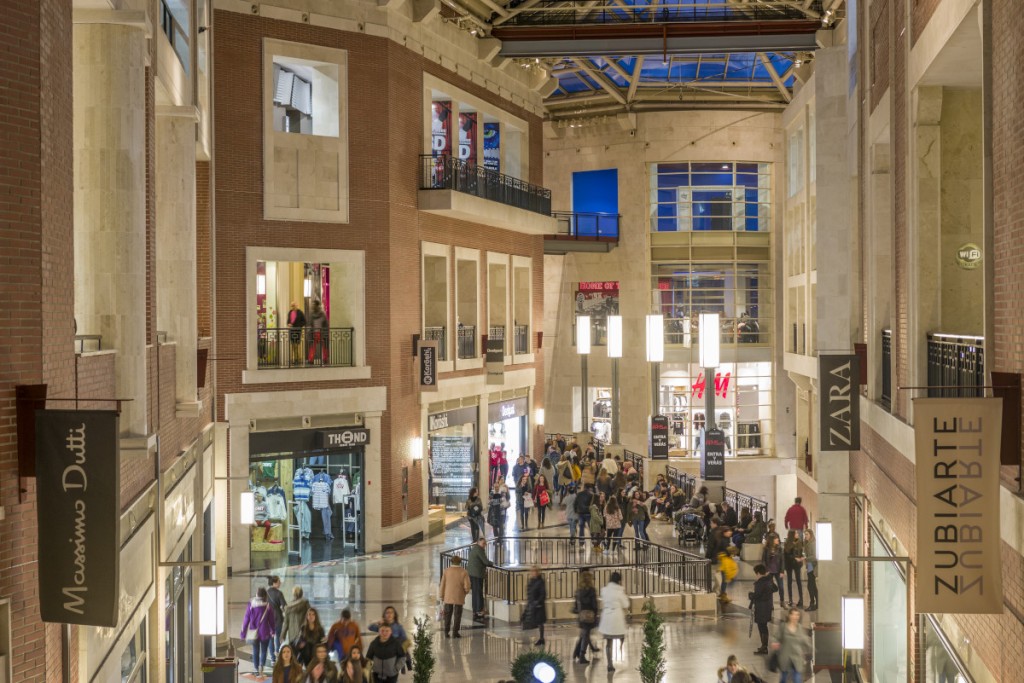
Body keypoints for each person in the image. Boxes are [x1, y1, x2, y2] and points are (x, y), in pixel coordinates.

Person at [598, 571, 630, 673]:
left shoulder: (604, 590)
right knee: (621, 635)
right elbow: (626, 604)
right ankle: (620, 650)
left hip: (607, 617)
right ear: (619, 580)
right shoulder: (619, 592)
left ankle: (610, 664)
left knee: (608, 641)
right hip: (617, 617)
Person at [241, 586, 276, 678]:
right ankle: (261, 666)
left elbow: (246, 619)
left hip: (254, 633)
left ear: (257, 594)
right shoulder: (268, 606)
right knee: (264, 651)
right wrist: (273, 630)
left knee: (256, 651)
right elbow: (271, 620)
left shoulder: (251, 605)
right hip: (265, 633)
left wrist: (243, 633)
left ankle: (256, 669)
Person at [439, 555, 472, 638]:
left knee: (447, 614)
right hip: (459, 596)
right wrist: (465, 592)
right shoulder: (464, 572)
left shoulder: (446, 571)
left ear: (451, 562)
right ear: (460, 562)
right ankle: (455, 632)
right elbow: (467, 586)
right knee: (457, 615)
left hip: (448, 596)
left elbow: (442, 584)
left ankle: (446, 632)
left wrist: (441, 595)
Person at [774, 608, 810, 682]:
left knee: (797, 679)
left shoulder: (799, 627)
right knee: (783, 679)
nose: (795, 617)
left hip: (797, 658)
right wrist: (775, 643)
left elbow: (804, 639)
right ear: (789, 615)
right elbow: (776, 637)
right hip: (785, 658)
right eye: (793, 614)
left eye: (797, 615)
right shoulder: (783, 627)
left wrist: (811, 647)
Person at [571, 570, 600, 664]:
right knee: (586, 635)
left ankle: (576, 652)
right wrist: (595, 614)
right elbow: (594, 604)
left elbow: (575, 605)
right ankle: (582, 655)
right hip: (589, 615)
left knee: (583, 634)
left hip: (581, 615)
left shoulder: (578, 590)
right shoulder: (591, 590)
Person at [749, 564, 777, 655]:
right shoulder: (769, 580)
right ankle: (763, 646)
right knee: (763, 626)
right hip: (767, 607)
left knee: (762, 627)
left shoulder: (760, 582)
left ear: (758, 573)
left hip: (761, 607)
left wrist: (750, 595)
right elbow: (775, 589)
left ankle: (764, 647)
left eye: (756, 573)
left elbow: (757, 595)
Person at [467, 537, 494, 623]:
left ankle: (475, 610)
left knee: (475, 592)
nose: (485, 545)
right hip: (477, 574)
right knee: (478, 592)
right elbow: (486, 562)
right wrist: (492, 563)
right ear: (479, 543)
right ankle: (479, 611)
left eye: (485, 543)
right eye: (483, 544)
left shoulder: (474, 548)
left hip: (472, 574)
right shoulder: (479, 550)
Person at [523, 566, 547, 646]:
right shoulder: (532, 581)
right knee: (526, 619)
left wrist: (538, 602)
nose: (534, 573)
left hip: (538, 605)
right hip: (531, 604)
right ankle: (526, 640)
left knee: (540, 622)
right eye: (532, 571)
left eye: (535, 571)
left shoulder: (540, 581)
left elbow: (543, 594)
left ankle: (541, 638)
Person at [282, 586, 311, 654]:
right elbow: (310, 617)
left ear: (293, 594)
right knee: (305, 655)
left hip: (292, 635)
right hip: (303, 633)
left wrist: (283, 635)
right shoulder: (305, 603)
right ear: (302, 593)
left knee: (294, 656)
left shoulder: (288, 606)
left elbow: (286, 622)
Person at [267, 576, 288, 665]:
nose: (280, 583)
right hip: (278, 618)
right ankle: (278, 654)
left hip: (268, 619)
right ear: (274, 583)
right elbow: (284, 606)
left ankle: (272, 659)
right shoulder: (279, 593)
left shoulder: (266, 593)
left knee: (270, 639)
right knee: (278, 637)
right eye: (279, 582)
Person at [783, 530, 805, 608]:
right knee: (789, 582)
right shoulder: (787, 543)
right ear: (792, 535)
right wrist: (795, 558)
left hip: (797, 564)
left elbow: (801, 552)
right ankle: (790, 600)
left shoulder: (799, 542)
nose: (797, 534)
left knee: (799, 581)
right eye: (796, 533)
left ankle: (801, 600)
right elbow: (786, 555)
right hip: (789, 564)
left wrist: (802, 557)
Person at [762, 534, 786, 607]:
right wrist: (765, 570)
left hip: (778, 571)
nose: (778, 540)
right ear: (772, 540)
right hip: (769, 571)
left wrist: (782, 571)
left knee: (781, 587)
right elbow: (763, 560)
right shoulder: (766, 549)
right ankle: (770, 604)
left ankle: (782, 601)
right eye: (776, 539)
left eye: (778, 539)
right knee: (770, 588)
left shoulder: (780, 548)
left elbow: (782, 560)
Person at [306, 299, 329, 365]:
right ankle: (324, 359)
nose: (313, 306)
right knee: (322, 347)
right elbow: (326, 324)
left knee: (314, 347)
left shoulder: (312, 314)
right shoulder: (322, 314)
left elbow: (310, 324)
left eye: (313, 304)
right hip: (319, 332)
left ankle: (311, 359)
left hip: (316, 332)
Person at [803, 527, 819, 611]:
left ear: (811, 535)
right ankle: (816, 603)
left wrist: (805, 559)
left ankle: (812, 603)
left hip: (813, 566)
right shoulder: (807, 543)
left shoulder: (813, 543)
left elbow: (814, 556)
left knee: (810, 586)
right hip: (810, 566)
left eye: (807, 534)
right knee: (812, 586)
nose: (805, 536)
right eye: (805, 534)